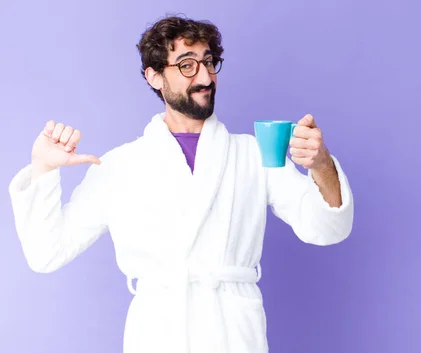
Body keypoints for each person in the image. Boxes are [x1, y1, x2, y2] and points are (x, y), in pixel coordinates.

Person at [7, 15, 354, 353]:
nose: (204, 75)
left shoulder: (253, 154)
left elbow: (326, 229)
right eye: (187, 65)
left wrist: (321, 164)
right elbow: (46, 253)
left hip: (232, 333)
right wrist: (43, 170)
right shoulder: (118, 166)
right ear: (155, 76)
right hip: (159, 333)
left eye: (209, 62)